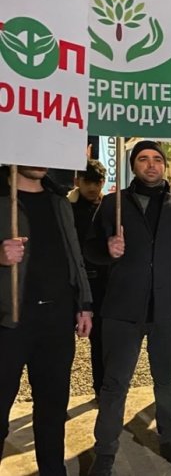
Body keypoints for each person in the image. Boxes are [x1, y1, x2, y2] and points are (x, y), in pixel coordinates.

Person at [85, 141, 171, 475]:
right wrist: (107, 248)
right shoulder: (114, 204)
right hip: (122, 310)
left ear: (165, 165)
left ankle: (170, 439)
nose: (151, 165)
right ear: (132, 165)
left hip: (168, 311)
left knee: (168, 381)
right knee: (114, 385)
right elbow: (89, 250)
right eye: (143, 159)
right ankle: (105, 453)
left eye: (156, 160)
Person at [0, 165, 93, 475]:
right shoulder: (2, 197)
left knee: (52, 413)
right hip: (8, 324)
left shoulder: (59, 201)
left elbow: (73, 255)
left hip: (56, 322)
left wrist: (84, 303)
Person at [68, 159, 108, 400]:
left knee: (101, 339)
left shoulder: (109, 207)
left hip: (102, 281)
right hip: (73, 280)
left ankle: (100, 388)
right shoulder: (66, 207)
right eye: (89, 182)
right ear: (78, 181)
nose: (94, 187)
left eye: (99, 182)